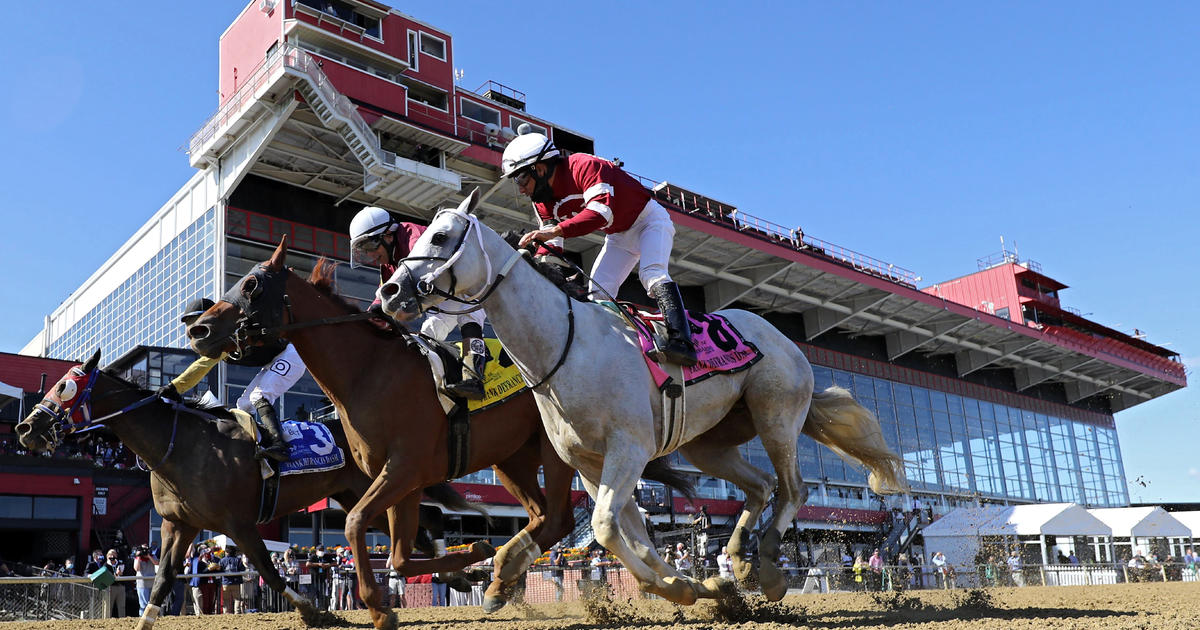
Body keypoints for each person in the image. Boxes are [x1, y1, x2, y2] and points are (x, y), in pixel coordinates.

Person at [503, 132, 697, 366]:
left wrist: (554, 232)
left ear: (540, 168)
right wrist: (533, 266)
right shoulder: (542, 201)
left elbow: (599, 215)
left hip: (650, 221)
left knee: (652, 274)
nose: (521, 189)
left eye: (521, 179)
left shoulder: (585, 165)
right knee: (598, 293)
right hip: (618, 236)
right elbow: (551, 250)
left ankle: (682, 342)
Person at [349, 206, 488, 399]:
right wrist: (369, 319)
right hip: (443, 294)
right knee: (428, 334)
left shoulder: (413, 238)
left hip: (467, 284)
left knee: (468, 313)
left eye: (370, 247)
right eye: (363, 250)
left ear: (388, 235)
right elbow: (383, 296)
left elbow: (427, 274)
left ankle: (474, 376)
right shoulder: (389, 261)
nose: (371, 256)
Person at [158, 297, 304, 462]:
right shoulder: (222, 337)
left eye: (196, 326)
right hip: (275, 360)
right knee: (244, 405)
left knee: (259, 396)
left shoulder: (227, 335)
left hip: (293, 354)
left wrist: (174, 387)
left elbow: (201, 367)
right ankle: (254, 445)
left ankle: (279, 445)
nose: (195, 334)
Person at [218, 546, 246, 613]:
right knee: (237, 598)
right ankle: (237, 612)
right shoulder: (238, 560)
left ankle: (226, 612)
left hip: (225, 582)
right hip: (236, 582)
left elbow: (219, 570)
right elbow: (243, 569)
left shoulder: (222, 560)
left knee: (226, 599)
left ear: (227, 552)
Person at [102, 549, 128, 618]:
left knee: (122, 606)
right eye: (110, 554)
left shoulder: (121, 563)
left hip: (121, 587)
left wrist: (121, 573)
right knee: (108, 606)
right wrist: (116, 574)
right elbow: (106, 577)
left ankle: (122, 620)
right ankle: (106, 620)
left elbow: (127, 573)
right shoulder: (105, 565)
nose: (112, 556)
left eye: (114, 554)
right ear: (107, 556)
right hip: (110, 588)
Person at [133, 545, 158, 615]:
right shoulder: (137, 558)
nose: (144, 551)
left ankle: (151, 618)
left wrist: (149, 556)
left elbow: (156, 563)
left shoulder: (152, 556)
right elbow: (136, 569)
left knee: (152, 603)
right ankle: (142, 618)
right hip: (142, 584)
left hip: (152, 583)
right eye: (143, 549)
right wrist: (138, 557)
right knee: (143, 604)